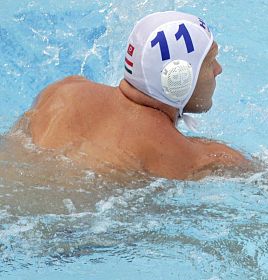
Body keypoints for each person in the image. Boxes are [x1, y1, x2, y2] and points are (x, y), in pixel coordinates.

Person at [7, 11, 251, 180]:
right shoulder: (192, 157)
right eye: (209, 62)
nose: (218, 69)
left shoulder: (62, 91)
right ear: (178, 77)